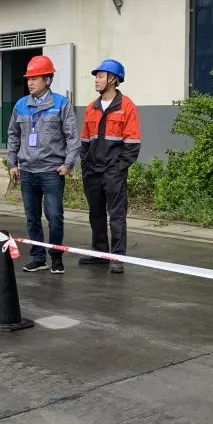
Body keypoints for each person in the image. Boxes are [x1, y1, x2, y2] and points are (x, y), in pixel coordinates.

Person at [7, 55, 80, 274]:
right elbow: (13, 135)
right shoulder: (21, 105)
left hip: (51, 171)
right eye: (28, 79)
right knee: (32, 218)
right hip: (27, 171)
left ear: (47, 79)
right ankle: (38, 258)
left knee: (54, 216)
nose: (30, 82)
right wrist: (12, 163)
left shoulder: (61, 104)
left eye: (35, 78)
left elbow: (72, 136)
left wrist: (68, 164)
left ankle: (56, 257)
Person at [78, 59, 141, 274]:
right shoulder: (92, 107)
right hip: (92, 171)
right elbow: (85, 141)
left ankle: (117, 257)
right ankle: (99, 253)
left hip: (113, 172)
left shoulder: (127, 106)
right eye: (96, 76)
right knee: (95, 214)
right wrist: (85, 164)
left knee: (116, 215)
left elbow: (133, 144)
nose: (96, 80)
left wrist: (118, 168)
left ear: (113, 79)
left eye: (101, 76)